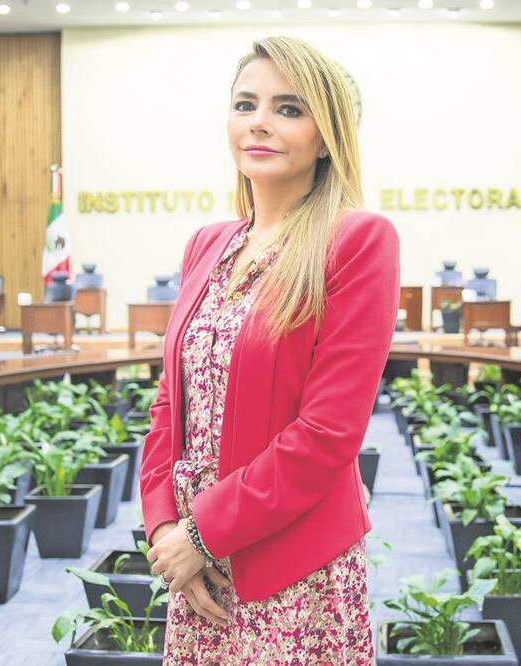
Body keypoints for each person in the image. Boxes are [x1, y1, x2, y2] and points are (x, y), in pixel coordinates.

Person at [140, 36, 400, 664]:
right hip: (195, 567)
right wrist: (166, 530)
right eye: (245, 104)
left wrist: (204, 532)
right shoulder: (208, 243)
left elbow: (328, 433)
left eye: (289, 108)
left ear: (327, 133)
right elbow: (169, 409)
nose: (259, 121)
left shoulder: (358, 240)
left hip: (292, 566)